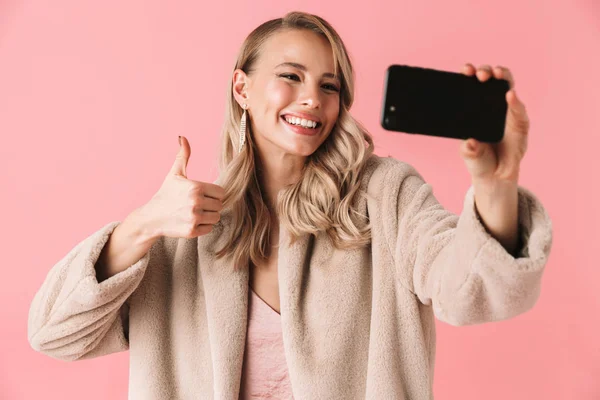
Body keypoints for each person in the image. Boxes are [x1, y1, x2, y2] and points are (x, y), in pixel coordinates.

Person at [28, 11, 553, 400]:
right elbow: (54, 334)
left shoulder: (386, 196)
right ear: (242, 87)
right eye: (290, 76)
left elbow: (475, 295)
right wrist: (141, 227)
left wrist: (496, 180)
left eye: (329, 86)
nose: (312, 99)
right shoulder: (184, 225)